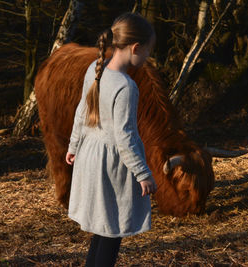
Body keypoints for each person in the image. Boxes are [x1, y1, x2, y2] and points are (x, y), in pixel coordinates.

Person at [65, 13, 157, 267]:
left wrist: (73, 146)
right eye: (148, 51)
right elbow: (124, 137)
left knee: (104, 228)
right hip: (111, 166)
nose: (148, 57)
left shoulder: (96, 70)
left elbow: (81, 113)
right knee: (112, 230)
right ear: (135, 47)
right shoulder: (126, 87)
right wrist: (143, 173)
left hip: (90, 155)